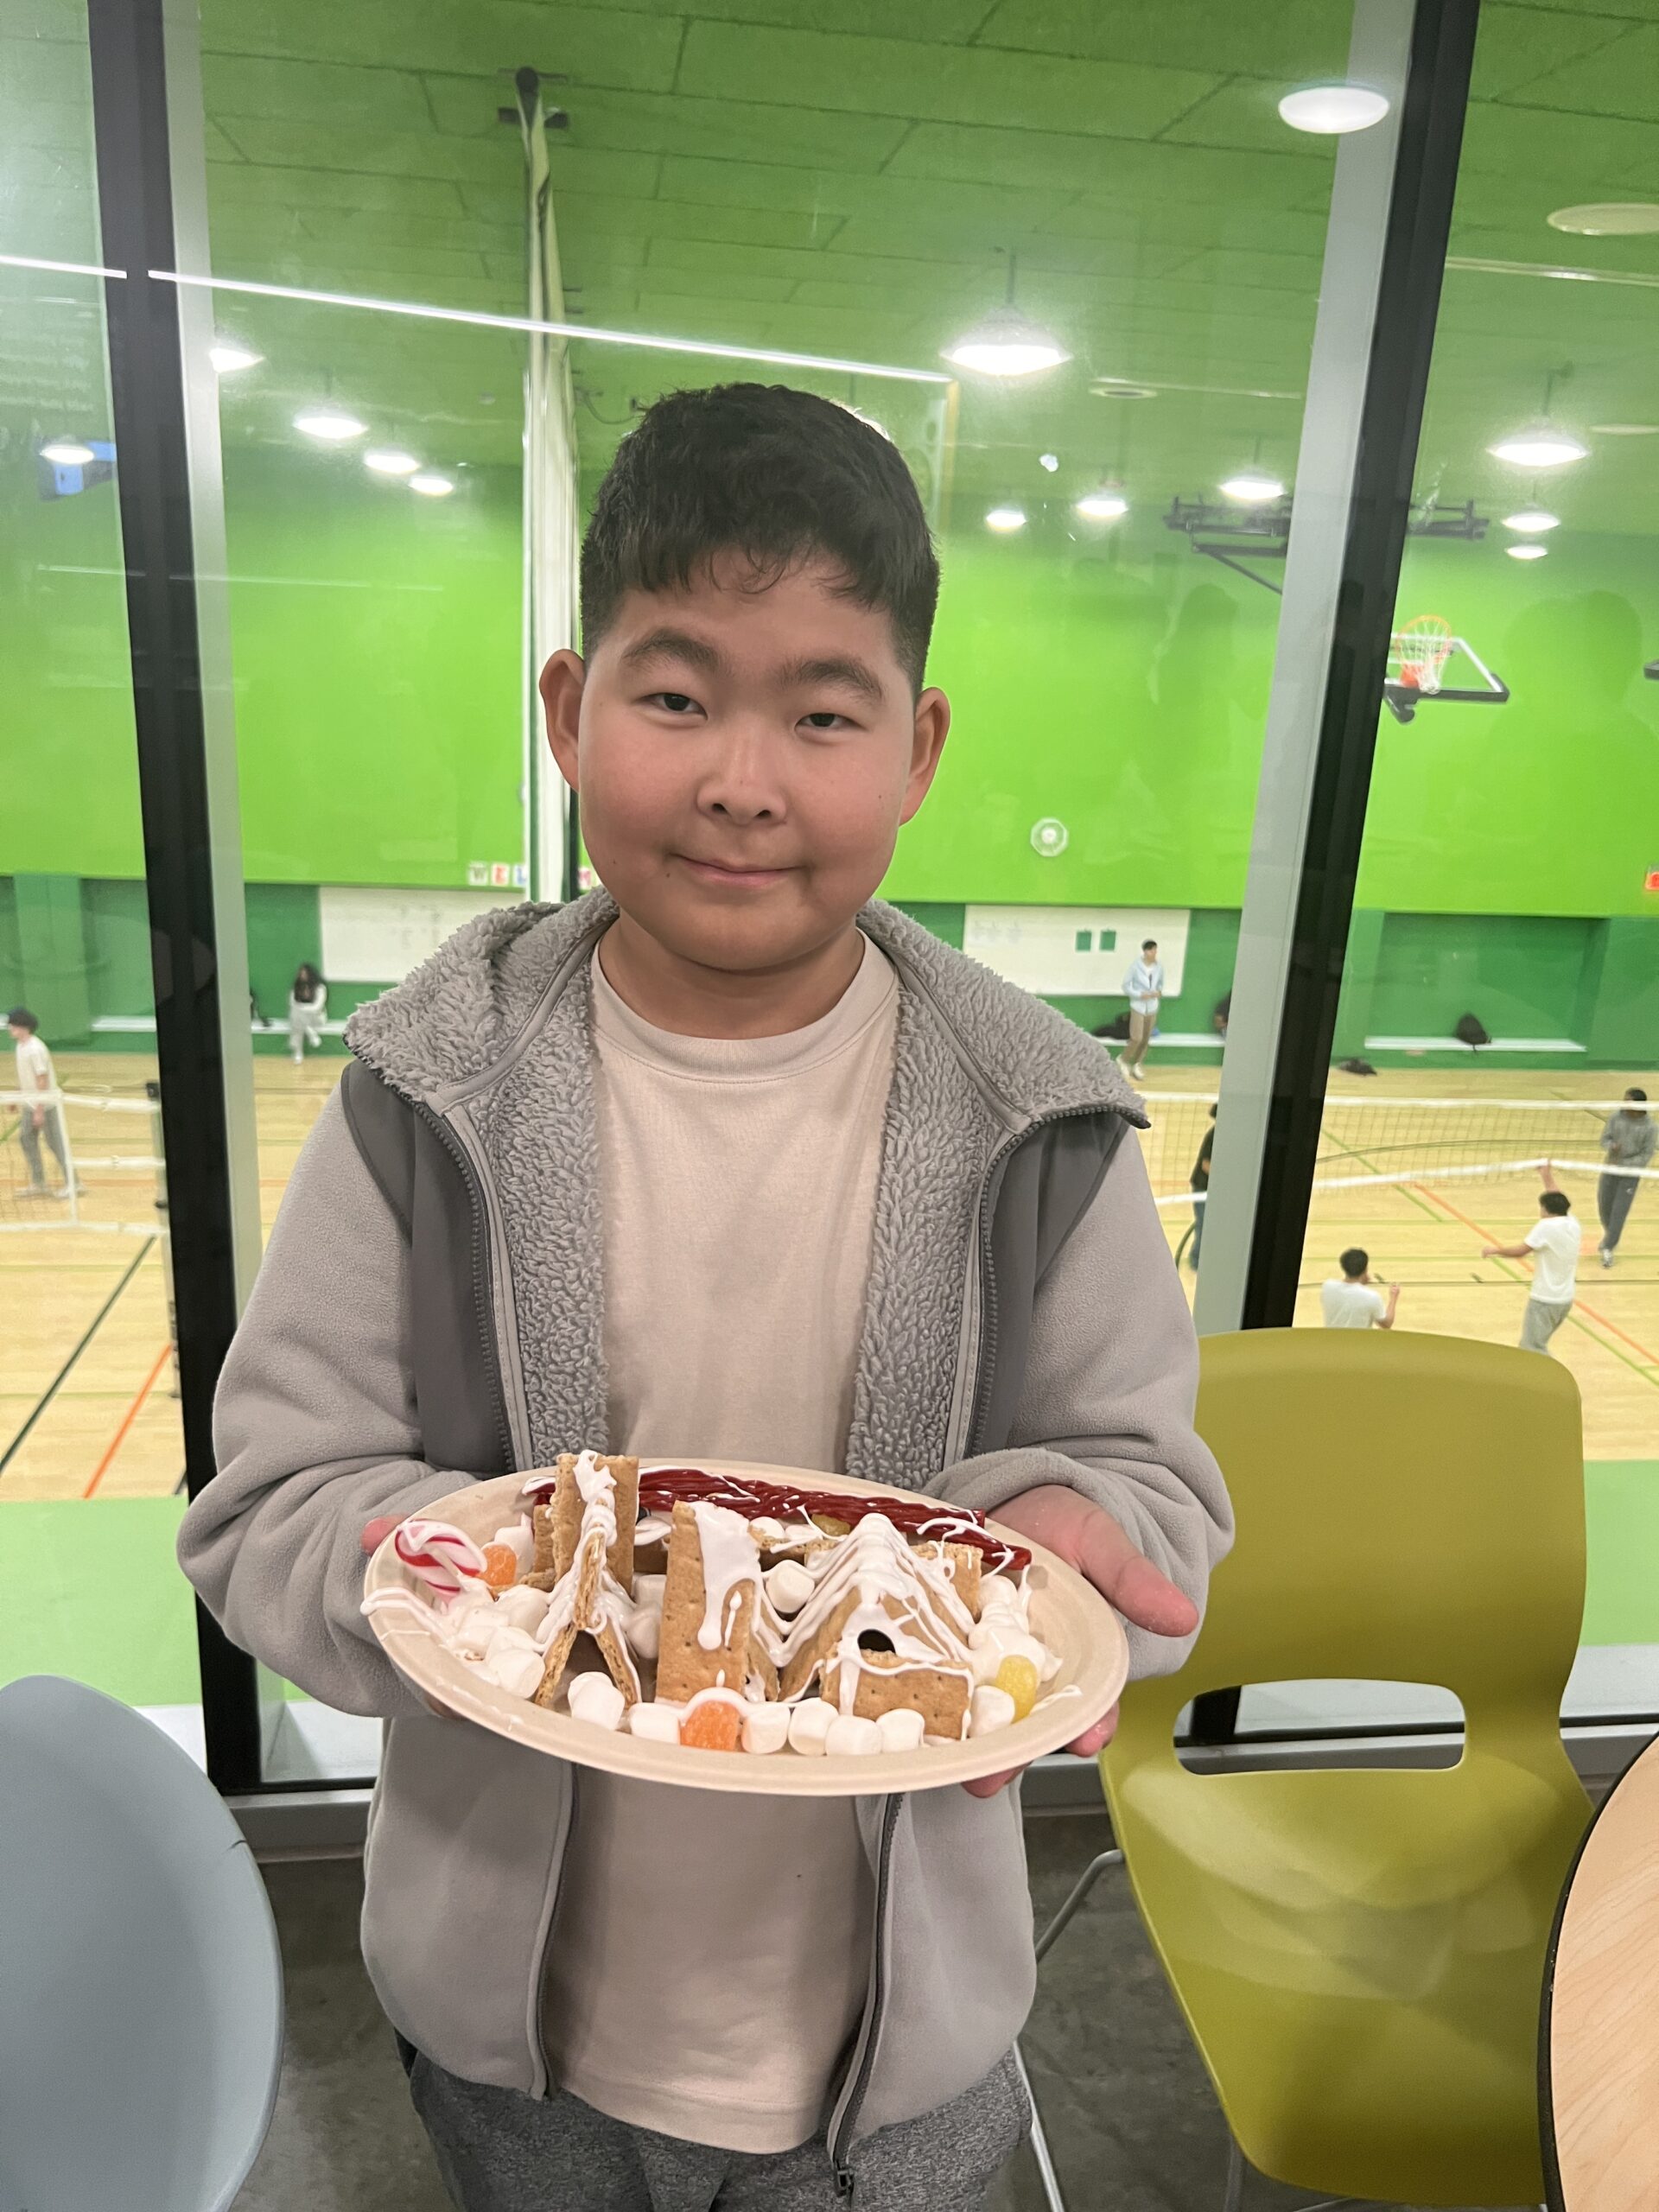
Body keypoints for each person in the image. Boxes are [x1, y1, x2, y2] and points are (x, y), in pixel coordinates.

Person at [178, 384, 1232, 2212]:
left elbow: (1152, 1500)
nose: (745, 777)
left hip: (901, 2055)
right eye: (676, 697)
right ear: (573, 714)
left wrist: (1074, 1546)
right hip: (514, 2039)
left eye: (824, 711)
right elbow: (269, 1504)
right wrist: (485, 1572)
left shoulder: (1040, 1116)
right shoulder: (424, 1091)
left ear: (918, 745)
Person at [1482, 1165, 1580, 1355]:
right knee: (1536, 1344)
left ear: (1546, 1209)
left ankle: (1550, 1382)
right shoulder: (1572, 1223)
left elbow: (1521, 1251)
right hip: (1564, 1301)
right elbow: (1556, 1195)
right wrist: (1546, 1175)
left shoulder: (1546, 1227)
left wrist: (1495, 1250)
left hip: (1545, 1301)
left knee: (1532, 1348)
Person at [7, 1007, 71, 1198]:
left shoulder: (35, 1049)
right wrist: (17, 1098)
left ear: (22, 1026)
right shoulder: (21, 1046)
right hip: (29, 1103)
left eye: (12, 1025)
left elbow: (41, 1079)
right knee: (26, 1138)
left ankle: (74, 1183)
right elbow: (25, 1075)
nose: (9, 1028)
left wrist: (40, 1110)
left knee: (55, 1143)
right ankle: (39, 1182)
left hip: (46, 1104)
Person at [1597, 1086, 1655, 1267]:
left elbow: (1646, 1155)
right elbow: (1604, 1139)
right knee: (1604, 1207)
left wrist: (1625, 1165)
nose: (1624, 1103)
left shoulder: (1651, 1127)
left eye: (1628, 1100)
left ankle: (1608, 1247)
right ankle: (1611, 1235)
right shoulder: (1616, 1117)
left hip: (1630, 1173)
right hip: (1610, 1168)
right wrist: (1611, 1146)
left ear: (1638, 1105)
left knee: (1619, 1212)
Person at [1319, 1247, 1398, 1330]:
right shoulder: (1372, 1297)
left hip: (1332, 1341)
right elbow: (1386, 1324)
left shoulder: (1327, 1287)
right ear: (1365, 1269)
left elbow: (1349, 1297)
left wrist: (1361, 1282)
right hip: (1359, 1342)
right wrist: (1393, 1297)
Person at [1120, 938, 1165, 1080]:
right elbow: (1126, 986)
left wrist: (1158, 992)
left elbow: (1160, 985)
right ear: (1146, 951)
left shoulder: (1159, 967)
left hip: (1152, 1007)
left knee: (1146, 1039)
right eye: (1152, 950)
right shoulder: (1135, 966)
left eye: (1156, 950)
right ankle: (1123, 1060)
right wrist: (1140, 995)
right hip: (1138, 1006)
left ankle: (1137, 1064)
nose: (1155, 952)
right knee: (1136, 1038)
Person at [1187, 1103, 1216, 1271]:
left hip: (1214, 1188)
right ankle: (1196, 1261)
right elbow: (1206, 1165)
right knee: (1203, 1224)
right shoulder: (1214, 1135)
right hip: (1202, 1187)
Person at [288, 962, 327, 1065]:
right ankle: (310, 1033)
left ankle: (297, 1053)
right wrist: (301, 1009)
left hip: (316, 1019)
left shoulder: (320, 988)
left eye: (304, 973)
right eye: (301, 974)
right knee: (297, 1019)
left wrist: (301, 1008)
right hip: (301, 1020)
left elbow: (317, 1007)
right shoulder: (296, 988)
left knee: (297, 1017)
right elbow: (292, 1003)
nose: (302, 976)